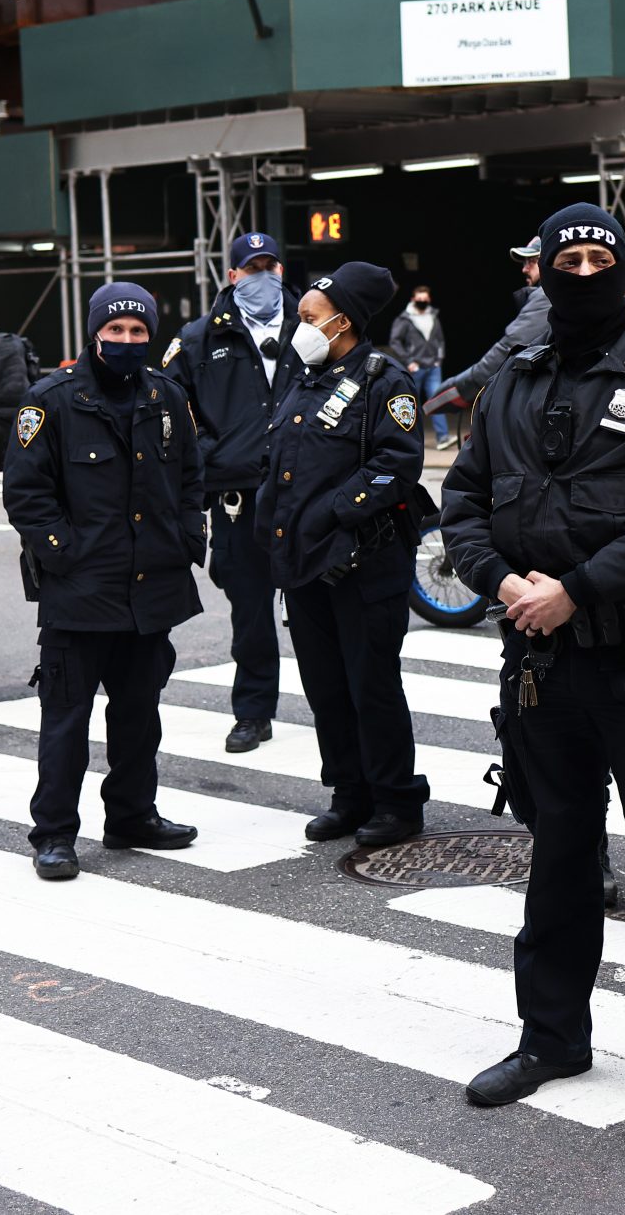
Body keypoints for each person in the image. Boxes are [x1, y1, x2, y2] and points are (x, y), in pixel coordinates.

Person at [440, 202, 625, 1144]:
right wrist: (501, 579)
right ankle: (551, 1038)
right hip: (540, 668)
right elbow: (462, 497)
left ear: (621, 272)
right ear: (541, 271)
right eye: (563, 257)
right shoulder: (514, 384)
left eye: (594, 257)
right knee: (559, 861)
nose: (579, 271)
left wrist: (574, 588)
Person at [5, 282, 204, 882]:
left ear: (150, 334)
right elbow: (26, 492)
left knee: (140, 713)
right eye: (114, 331)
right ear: (95, 333)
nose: (125, 340)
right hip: (81, 591)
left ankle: (132, 816)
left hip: (152, 591)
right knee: (66, 718)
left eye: (137, 331)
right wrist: (65, 555)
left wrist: (190, 536)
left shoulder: (167, 397)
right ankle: (55, 834)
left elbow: (192, 476)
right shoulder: (51, 400)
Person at [262, 260, 430, 848]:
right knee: (325, 687)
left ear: (343, 321)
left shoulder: (386, 381)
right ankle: (349, 794)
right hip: (306, 564)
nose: (298, 326)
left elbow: (398, 465)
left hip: (363, 562)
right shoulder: (302, 378)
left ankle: (396, 801)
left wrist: (335, 511)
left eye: (309, 316)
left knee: (371, 686)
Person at [167, 233, 291, 753]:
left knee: (322, 608)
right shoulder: (200, 337)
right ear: (233, 275)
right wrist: (208, 453)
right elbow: (169, 406)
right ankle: (253, 712)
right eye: (251, 266)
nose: (262, 274)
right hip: (237, 493)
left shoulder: (315, 325)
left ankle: (343, 705)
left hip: (302, 488)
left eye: (270, 265)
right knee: (251, 609)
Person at [429, 234, 553, 418]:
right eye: (524, 262)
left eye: (532, 261)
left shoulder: (546, 295)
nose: (525, 269)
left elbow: (509, 349)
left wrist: (450, 392)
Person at [386, 282, 451, 447]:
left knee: (436, 401)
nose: (422, 301)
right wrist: (409, 361)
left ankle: (442, 437)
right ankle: (407, 439)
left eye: (425, 298)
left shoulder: (433, 316)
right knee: (409, 403)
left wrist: (439, 359)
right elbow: (395, 342)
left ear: (428, 299)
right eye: (419, 298)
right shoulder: (405, 318)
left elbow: (440, 340)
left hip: (433, 366)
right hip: (415, 367)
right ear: (413, 299)